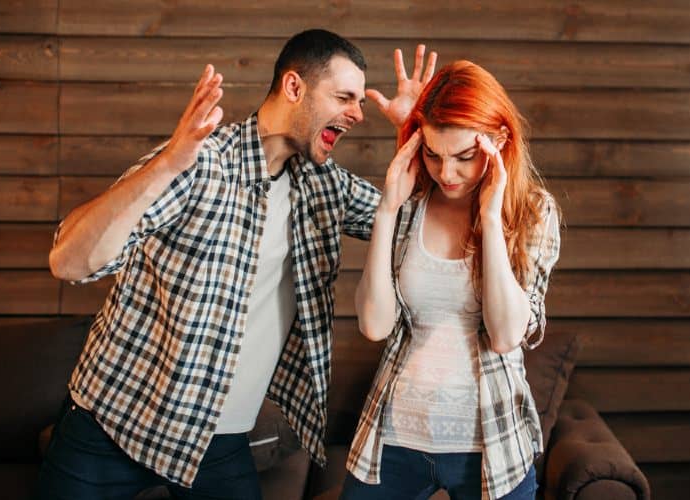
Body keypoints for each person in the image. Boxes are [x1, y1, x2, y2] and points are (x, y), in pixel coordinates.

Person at [37, 29, 437, 499]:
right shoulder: (199, 163)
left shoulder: (325, 186)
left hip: (217, 439)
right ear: (294, 87)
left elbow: (418, 226)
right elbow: (69, 262)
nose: (357, 112)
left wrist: (413, 132)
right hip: (112, 423)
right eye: (344, 96)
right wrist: (166, 164)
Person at [342, 60, 561, 500]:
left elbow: (505, 335)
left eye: (465, 157)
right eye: (433, 155)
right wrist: (387, 209)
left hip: (491, 445)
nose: (447, 174)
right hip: (395, 437)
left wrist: (489, 217)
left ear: (498, 140)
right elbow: (374, 326)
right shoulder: (410, 204)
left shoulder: (533, 213)